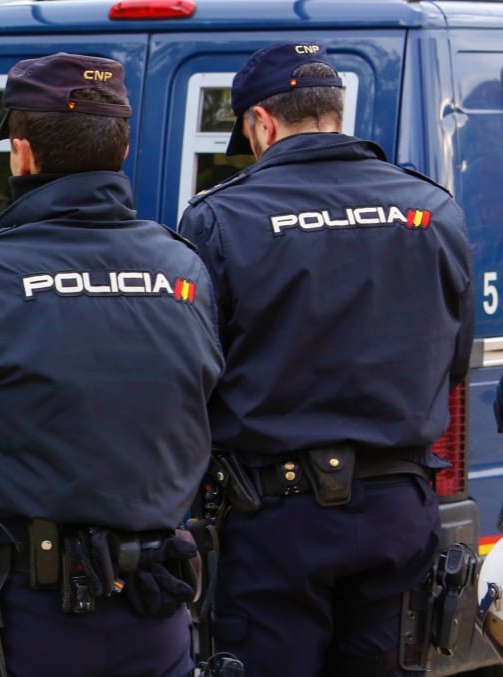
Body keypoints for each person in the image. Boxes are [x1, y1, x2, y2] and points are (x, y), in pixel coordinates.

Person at [0, 52, 224, 676]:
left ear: (21, 154)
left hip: (26, 614)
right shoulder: (185, 270)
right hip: (159, 605)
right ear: (121, 153)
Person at [177, 42, 474, 675]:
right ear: (337, 111)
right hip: (398, 509)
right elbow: (452, 362)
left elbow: (192, 378)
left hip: (273, 520)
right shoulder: (435, 211)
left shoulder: (220, 218)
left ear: (261, 122)